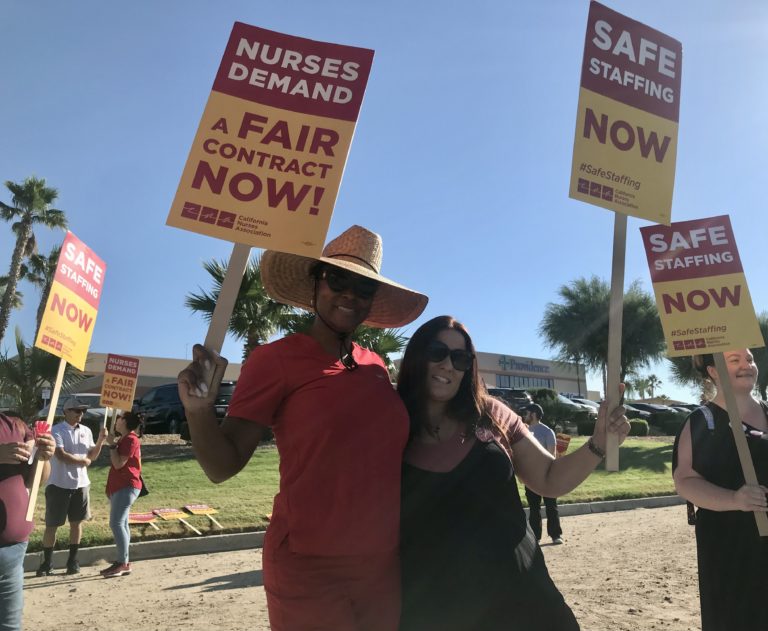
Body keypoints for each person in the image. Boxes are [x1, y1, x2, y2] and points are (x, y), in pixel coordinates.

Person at [177, 225, 427, 631]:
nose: (349, 294)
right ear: (315, 283)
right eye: (338, 278)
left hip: (381, 564)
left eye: (363, 287)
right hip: (309, 565)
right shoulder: (274, 360)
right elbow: (221, 467)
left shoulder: (377, 367)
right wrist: (198, 412)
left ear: (372, 301)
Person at [397, 315, 629, 631]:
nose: (448, 365)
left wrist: (600, 443)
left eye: (460, 358)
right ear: (417, 356)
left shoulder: (492, 414)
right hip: (438, 611)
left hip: (524, 599)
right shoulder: (390, 425)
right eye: (436, 352)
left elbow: (549, 477)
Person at [672, 349, 768, 631]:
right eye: (734, 360)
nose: (746, 365)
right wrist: (735, 499)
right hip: (730, 548)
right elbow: (685, 480)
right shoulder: (702, 421)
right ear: (713, 372)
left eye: (749, 359)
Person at [37, 396, 106, 576]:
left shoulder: (86, 430)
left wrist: (101, 440)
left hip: (81, 485)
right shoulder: (57, 431)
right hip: (58, 484)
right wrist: (83, 460)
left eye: (82, 411)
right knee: (52, 525)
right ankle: (47, 562)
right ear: (66, 412)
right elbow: (61, 455)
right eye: (77, 410)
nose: (80, 414)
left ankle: (72, 561)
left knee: (77, 523)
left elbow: (93, 455)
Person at [0, 412, 55, 631]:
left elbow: (35, 480)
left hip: (12, 553)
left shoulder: (13, 425)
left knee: (10, 627)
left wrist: (45, 457)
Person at [100, 411, 143, 578]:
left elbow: (119, 464)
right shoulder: (126, 439)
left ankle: (122, 563)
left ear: (124, 422)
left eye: (119, 418)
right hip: (123, 487)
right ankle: (124, 561)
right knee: (122, 523)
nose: (116, 420)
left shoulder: (131, 440)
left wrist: (112, 445)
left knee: (116, 523)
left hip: (127, 486)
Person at [522, 403, 564, 545]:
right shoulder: (523, 432)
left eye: (526, 413)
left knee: (551, 505)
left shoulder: (547, 432)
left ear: (533, 415)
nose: (524, 416)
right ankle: (536, 537)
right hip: (530, 476)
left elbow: (551, 454)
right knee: (534, 508)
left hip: (547, 475)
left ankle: (555, 535)